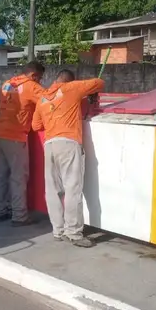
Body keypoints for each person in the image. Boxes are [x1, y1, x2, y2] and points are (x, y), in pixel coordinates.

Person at [32, 69, 104, 247]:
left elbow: (36, 125)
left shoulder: (42, 97)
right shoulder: (71, 88)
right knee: (72, 188)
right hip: (68, 143)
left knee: (52, 190)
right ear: (70, 80)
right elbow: (99, 82)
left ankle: (58, 230)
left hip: (49, 146)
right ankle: (73, 233)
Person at [0, 61, 46, 226]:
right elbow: (49, 100)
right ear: (34, 75)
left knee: (0, 174)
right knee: (18, 177)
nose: (39, 82)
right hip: (15, 137)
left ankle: (0, 211)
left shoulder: (7, 84)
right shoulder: (31, 86)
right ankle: (20, 216)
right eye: (39, 78)